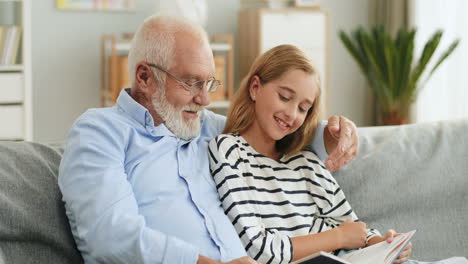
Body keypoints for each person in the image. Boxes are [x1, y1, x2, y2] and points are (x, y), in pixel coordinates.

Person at [58, 15, 360, 264]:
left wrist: (330, 135)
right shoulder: (100, 132)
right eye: (191, 83)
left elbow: (274, 130)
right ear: (145, 78)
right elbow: (110, 237)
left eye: (209, 83)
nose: (204, 99)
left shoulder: (210, 129)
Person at [207, 44, 421, 264]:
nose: (291, 114)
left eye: (303, 108)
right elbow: (258, 248)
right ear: (255, 87)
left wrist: (382, 244)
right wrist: (338, 237)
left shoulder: (306, 162)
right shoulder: (229, 151)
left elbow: (353, 228)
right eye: (284, 97)